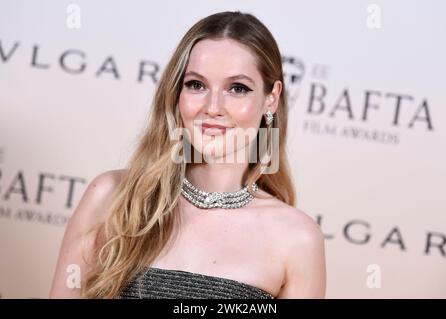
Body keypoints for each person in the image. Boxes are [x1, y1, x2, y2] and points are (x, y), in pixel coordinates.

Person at [49, 10, 326, 299]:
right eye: (197, 85)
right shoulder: (111, 197)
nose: (213, 106)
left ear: (271, 98)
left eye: (237, 88)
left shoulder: (297, 239)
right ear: (177, 92)